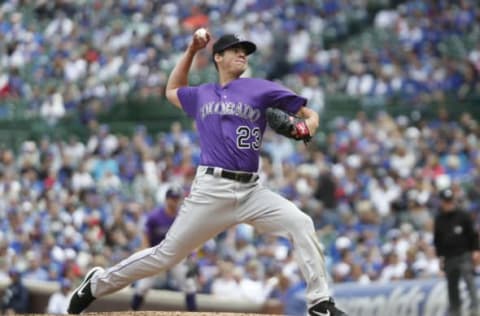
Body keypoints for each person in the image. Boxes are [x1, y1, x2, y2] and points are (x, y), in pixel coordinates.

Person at [67, 30, 348, 316]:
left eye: (245, 51)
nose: (242, 54)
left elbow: (310, 115)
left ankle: (320, 304)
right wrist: (190, 51)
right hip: (211, 190)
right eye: (235, 49)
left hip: (251, 191)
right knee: (165, 256)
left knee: (300, 223)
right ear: (218, 57)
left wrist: (306, 127)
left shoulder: (260, 88)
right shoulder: (202, 93)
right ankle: (95, 285)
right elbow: (171, 90)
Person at [130, 186, 197, 311]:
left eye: (177, 198)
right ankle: (132, 311)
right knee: (143, 286)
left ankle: (194, 313)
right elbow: (146, 234)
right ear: (166, 199)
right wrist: (145, 251)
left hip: (176, 256)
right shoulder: (155, 216)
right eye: (172, 198)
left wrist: (192, 256)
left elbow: (189, 236)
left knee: (189, 285)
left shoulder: (182, 216)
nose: (175, 201)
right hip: (157, 254)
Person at [433, 188, 480, 316]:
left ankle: (475, 309)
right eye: (446, 201)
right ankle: (456, 311)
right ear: (442, 202)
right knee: (452, 286)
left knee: (469, 281)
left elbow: (473, 235)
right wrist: (440, 257)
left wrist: (476, 250)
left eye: (450, 201)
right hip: (449, 257)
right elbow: (437, 240)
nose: (448, 204)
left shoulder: (463, 215)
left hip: (464, 255)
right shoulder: (439, 219)